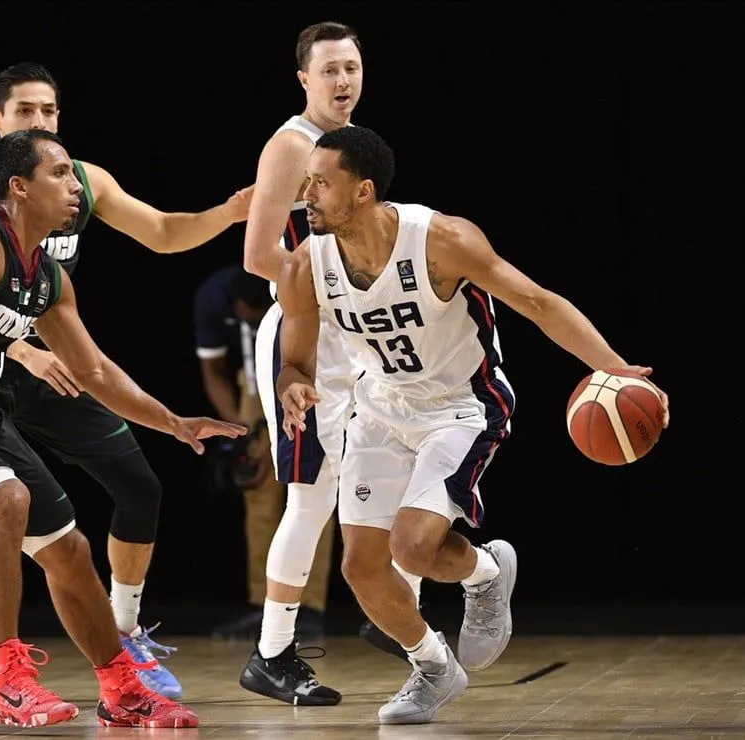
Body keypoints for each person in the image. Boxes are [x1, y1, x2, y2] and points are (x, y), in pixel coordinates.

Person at [275, 126, 670, 724]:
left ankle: (485, 574)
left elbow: (537, 302)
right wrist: (292, 385)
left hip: (460, 405)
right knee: (360, 565)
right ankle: (432, 666)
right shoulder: (307, 264)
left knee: (412, 546)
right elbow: (295, 359)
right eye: (307, 179)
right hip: (379, 407)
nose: (307, 192)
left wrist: (614, 370)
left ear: (362, 191)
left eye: (320, 182)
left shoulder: (440, 240)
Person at [0, 128, 246, 728]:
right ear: (18, 187)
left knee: (69, 549)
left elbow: (93, 370)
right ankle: (7, 680)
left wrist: (171, 421)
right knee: (6, 498)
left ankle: (122, 688)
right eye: (62, 173)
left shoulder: (47, 276)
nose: (77, 186)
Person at [238, 21, 421, 706]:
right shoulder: (291, 146)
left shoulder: (351, 149)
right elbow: (260, 255)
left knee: (397, 460)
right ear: (304, 80)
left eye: (352, 67)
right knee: (311, 497)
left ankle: (394, 608)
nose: (343, 81)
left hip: (355, 336)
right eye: (330, 70)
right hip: (304, 339)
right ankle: (272, 653)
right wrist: (332, 291)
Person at [194, 265, 333, 641]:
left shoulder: (302, 283)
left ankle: (311, 607)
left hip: (310, 377)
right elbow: (214, 372)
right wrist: (239, 432)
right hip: (254, 388)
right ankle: (263, 603)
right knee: (258, 491)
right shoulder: (214, 296)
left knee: (313, 487)